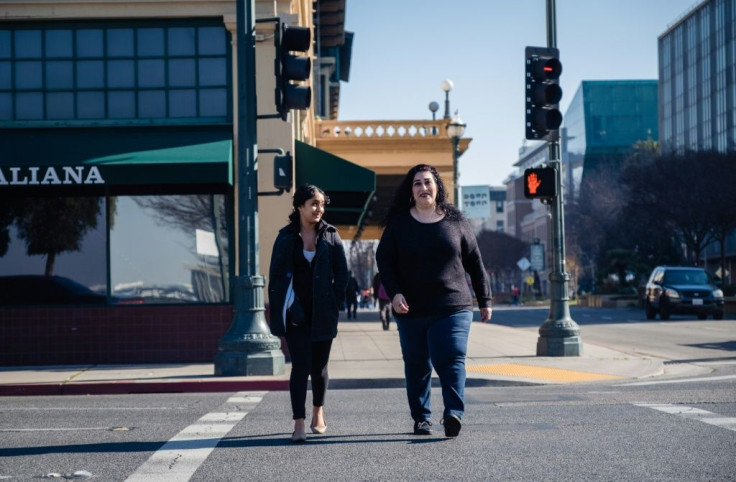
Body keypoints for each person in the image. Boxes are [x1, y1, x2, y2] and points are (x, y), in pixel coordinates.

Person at [376, 164, 492, 439]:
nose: (423, 188)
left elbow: (475, 262)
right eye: (417, 183)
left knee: (451, 357)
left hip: (452, 305)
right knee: (417, 365)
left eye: (428, 182)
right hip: (411, 308)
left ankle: (453, 413)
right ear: (411, 190)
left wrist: (484, 298)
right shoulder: (399, 224)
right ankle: (422, 418)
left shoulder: (456, 221)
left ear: (437, 186)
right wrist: (394, 293)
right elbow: (384, 261)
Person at [268, 184, 348, 443]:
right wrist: (283, 309)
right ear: (299, 206)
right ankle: (299, 422)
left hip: (324, 312)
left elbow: (342, 274)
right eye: (313, 203)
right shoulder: (285, 237)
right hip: (295, 312)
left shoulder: (331, 236)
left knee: (320, 366)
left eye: (322, 204)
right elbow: (276, 278)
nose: (319, 209)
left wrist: (335, 302)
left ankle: (318, 411)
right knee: (300, 366)